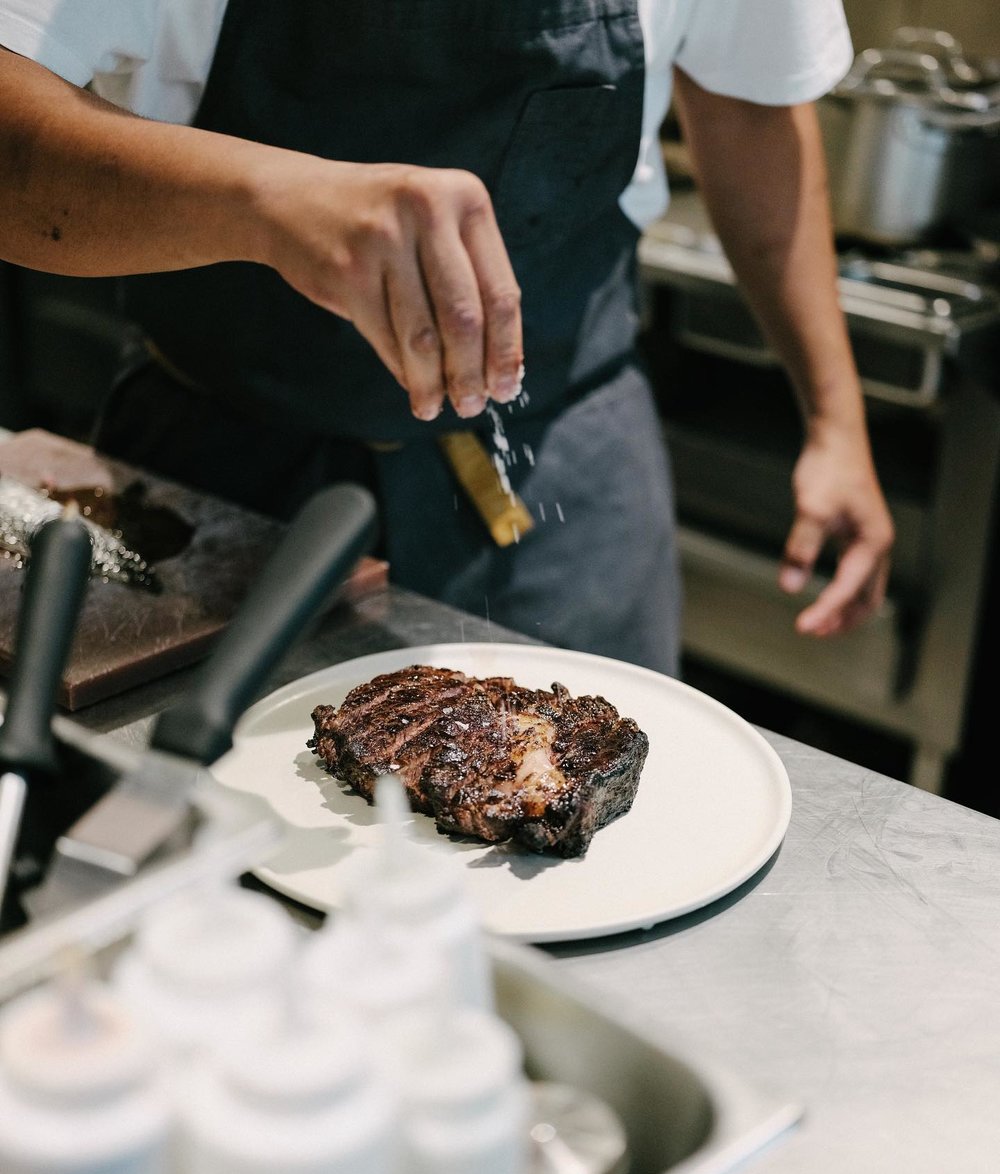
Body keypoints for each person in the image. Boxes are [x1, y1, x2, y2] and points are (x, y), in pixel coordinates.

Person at [0, 0, 893, 676]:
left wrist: (835, 418)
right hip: (218, 476)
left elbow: (750, 104)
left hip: (560, 484)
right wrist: (265, 201)